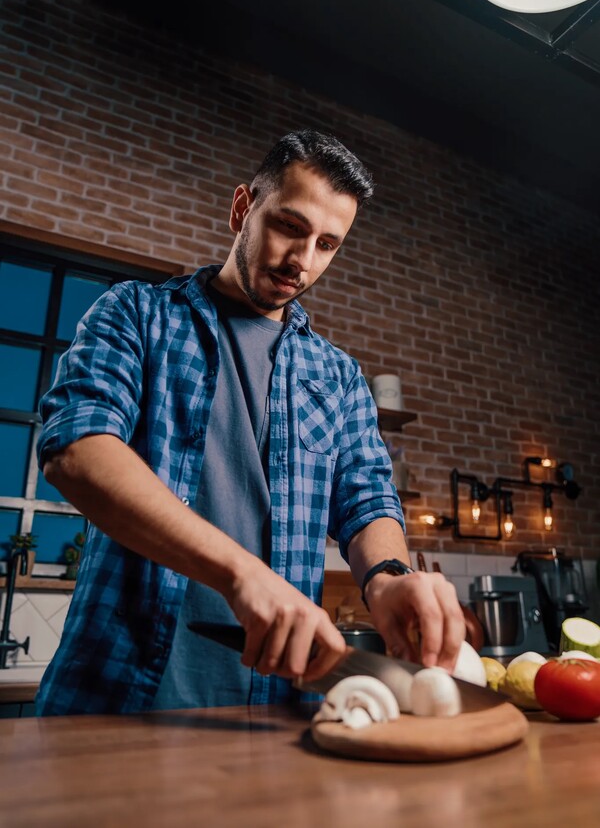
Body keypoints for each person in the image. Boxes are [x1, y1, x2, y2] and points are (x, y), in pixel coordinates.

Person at [36, 129, 465, 715]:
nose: (302, 261)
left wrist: (387, 578)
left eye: (327, 244)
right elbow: (77, 449)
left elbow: (367, 498)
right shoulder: (136, 315)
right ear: (243, 208)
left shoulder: (338, 376)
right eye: (289, 226)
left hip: (274, 711)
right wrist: (242, 574)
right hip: (116, 690)